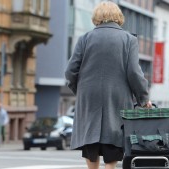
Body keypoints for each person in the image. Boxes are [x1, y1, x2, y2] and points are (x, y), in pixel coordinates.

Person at [65, 1, 152, 169]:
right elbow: (134, 72)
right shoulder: (129, 39)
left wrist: (80, 90)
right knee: (113, 141)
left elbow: (70, 71)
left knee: (91, 141)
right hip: (117, 97)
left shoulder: (85, 39)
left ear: (97, 17)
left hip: (89, 98)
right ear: (119, 18)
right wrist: (143, 98)